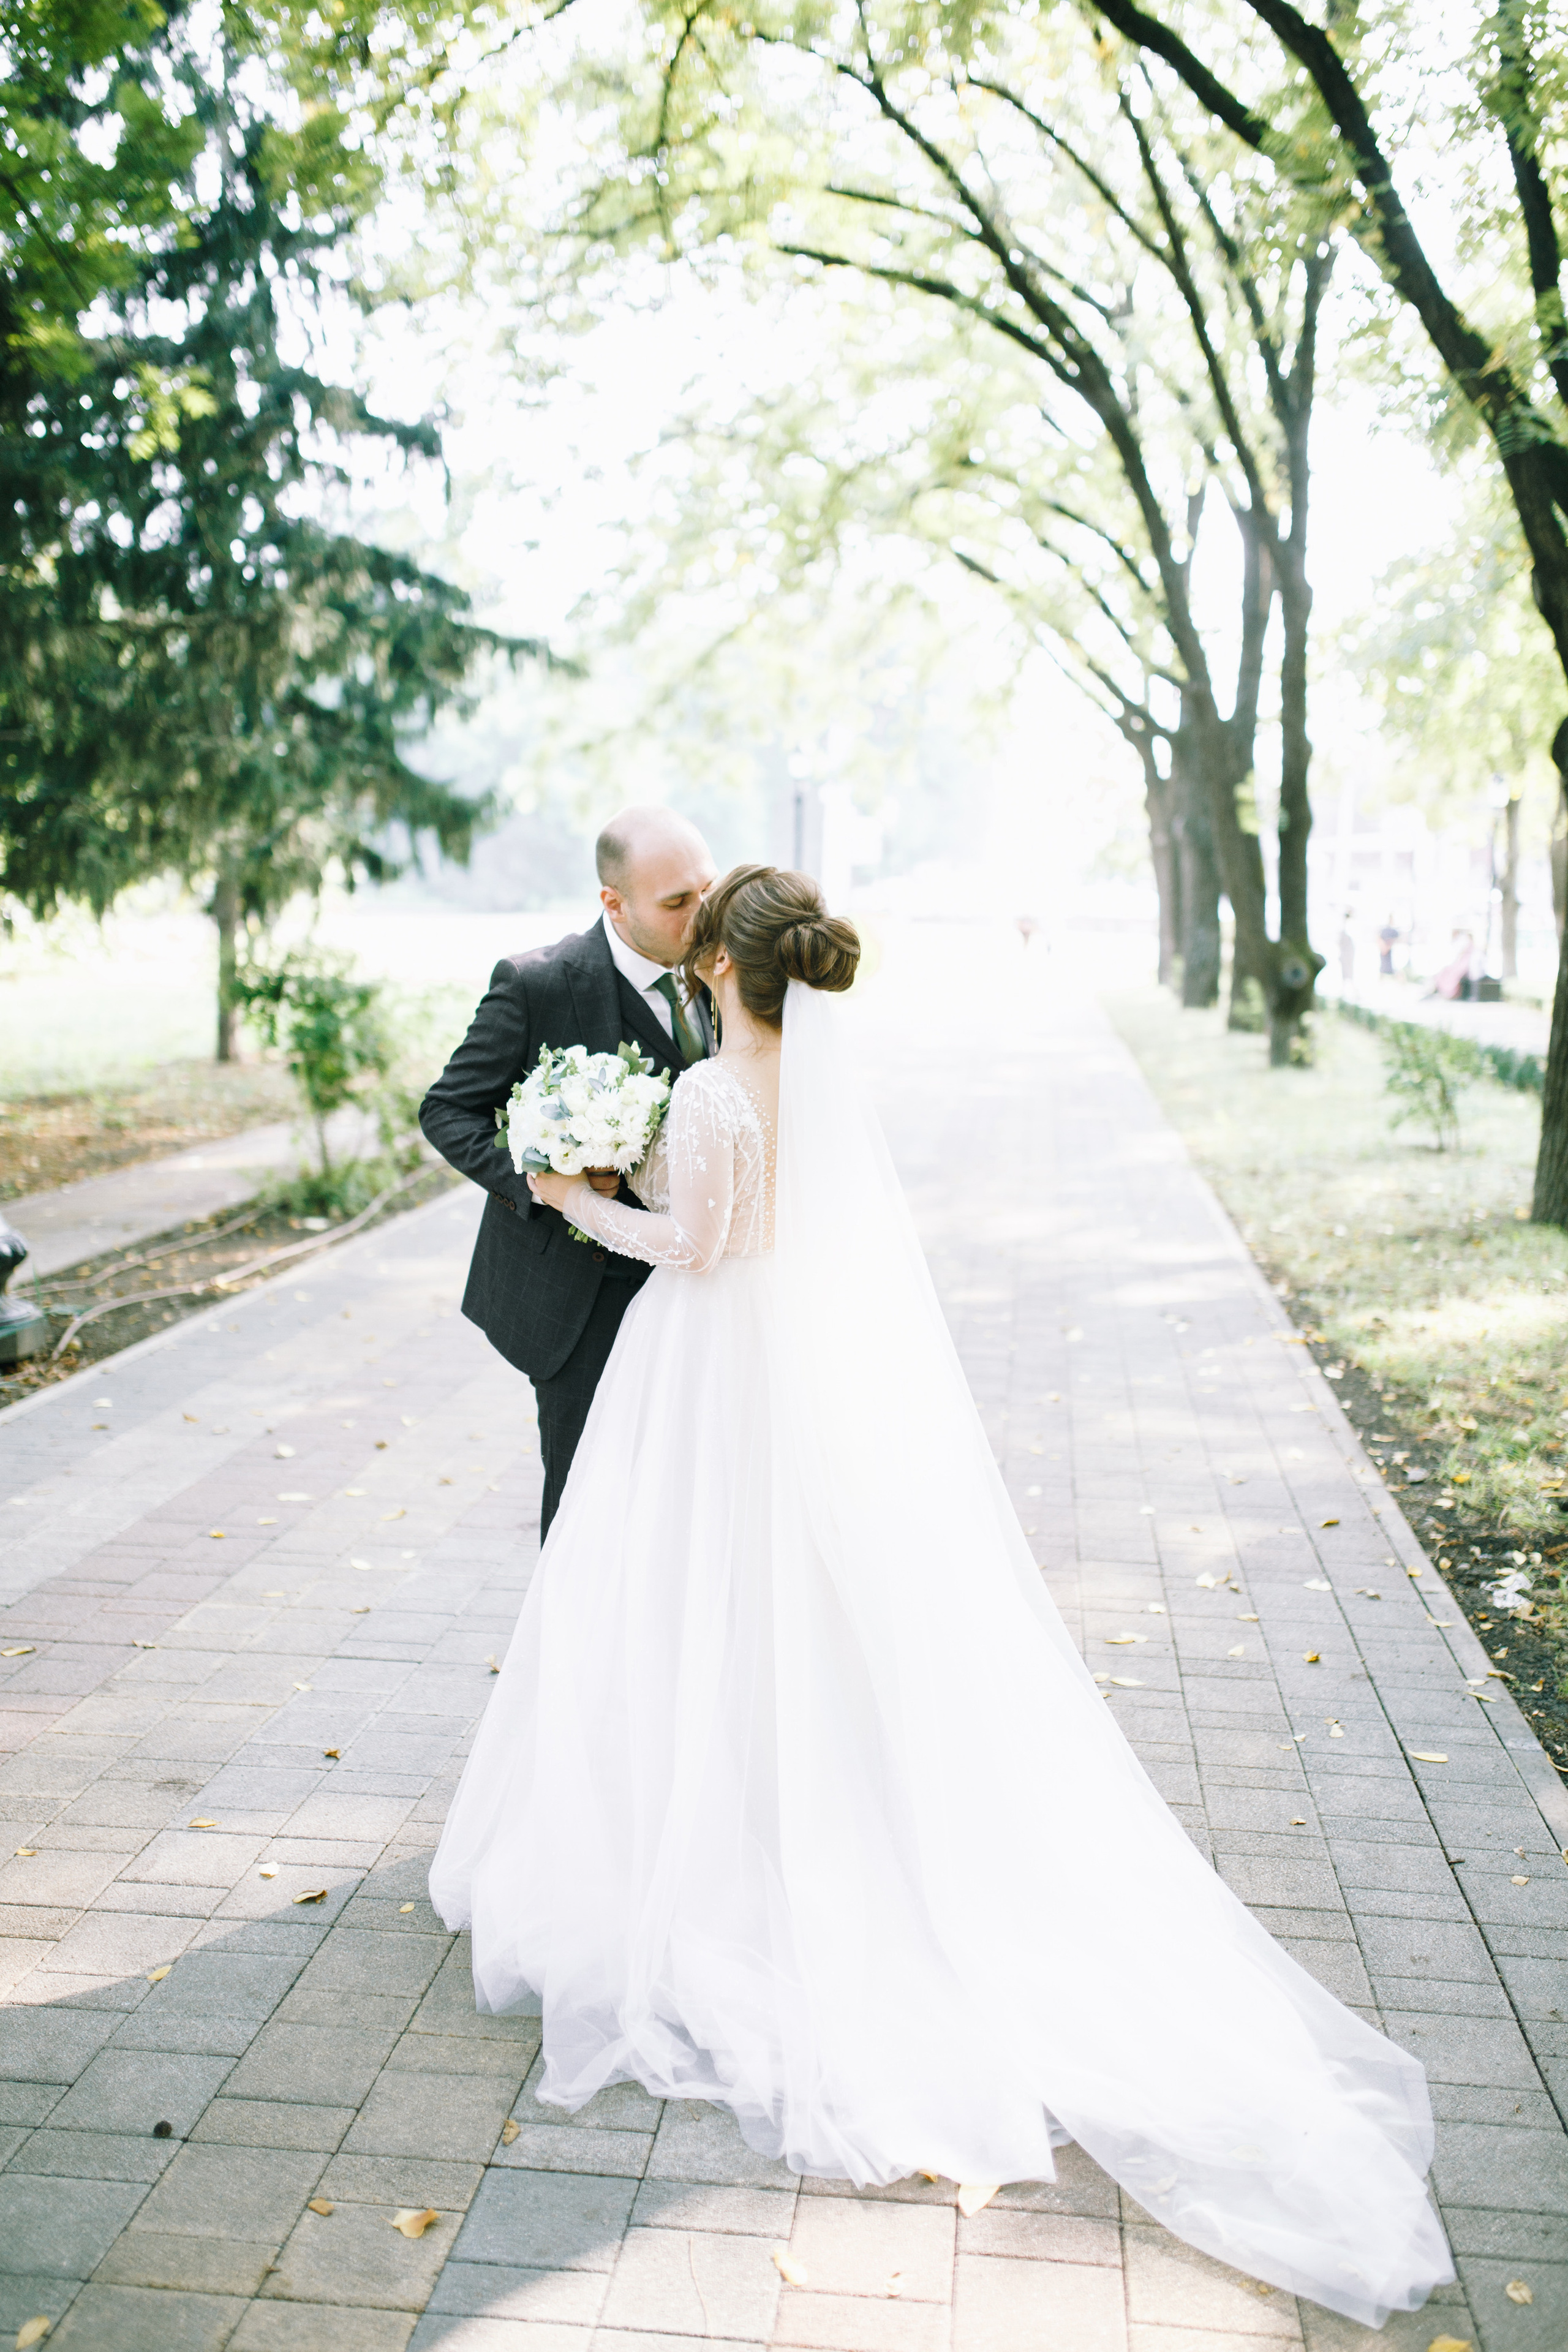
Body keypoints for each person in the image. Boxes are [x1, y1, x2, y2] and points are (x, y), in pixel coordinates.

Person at [429, 863, 1453, 2331]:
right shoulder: (808, 1082)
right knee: (784, 1608)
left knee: (685, 1599)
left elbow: (698, 1246)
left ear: (713, 958)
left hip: (705, 1361)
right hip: (786, 1371)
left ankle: (695, 1826)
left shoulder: (720, 1093)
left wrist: (574, 1197)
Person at [419, 805, 716, 1534]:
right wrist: (544, 1183)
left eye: (706, 890)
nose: (704, 915)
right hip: (580, 1301)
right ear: (613, 903)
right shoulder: (538, 985)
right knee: (587, 1501)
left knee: (690, 1497)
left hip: (707, 1290)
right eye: (678, 903)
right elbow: (448, 1109)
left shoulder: (727, 970)